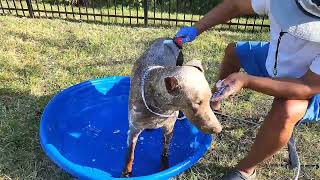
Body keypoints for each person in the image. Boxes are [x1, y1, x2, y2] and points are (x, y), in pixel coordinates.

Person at [175, 0, 320, 179]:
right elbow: (235, 5)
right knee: (234, 51)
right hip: (274, 57)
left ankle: (245, 170)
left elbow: (307, 86)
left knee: (286, 111)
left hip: (309, 83)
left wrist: (247, 81)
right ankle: (215, 103)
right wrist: (197, 28)